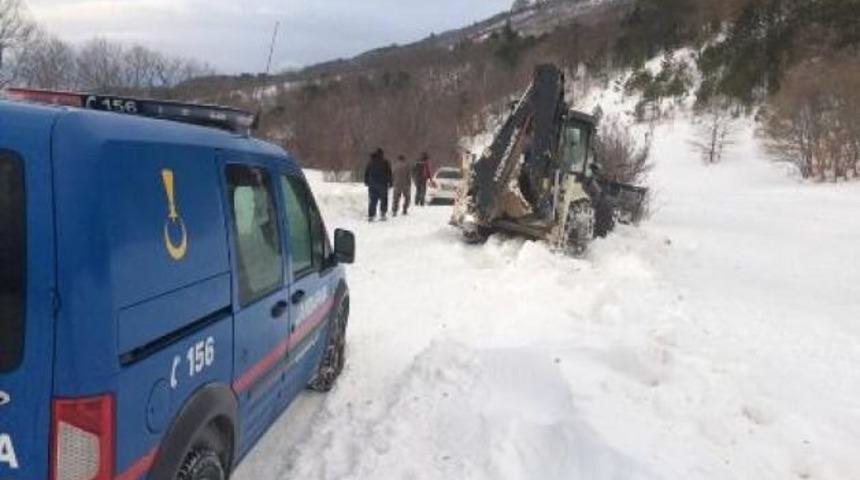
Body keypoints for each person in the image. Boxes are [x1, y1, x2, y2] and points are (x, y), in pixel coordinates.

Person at [364, 148, 392, 221]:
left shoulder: (371, 162)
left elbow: (366, 173)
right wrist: (390, 182)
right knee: (384, 200)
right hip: (383, 184)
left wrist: (366, 182)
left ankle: (371, 215)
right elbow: (389, 173)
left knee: (373, 200)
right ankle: (383, 214)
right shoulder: (385, 162)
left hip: (372, 184)